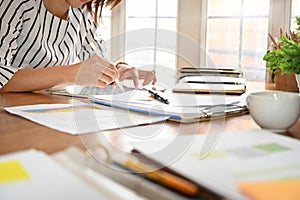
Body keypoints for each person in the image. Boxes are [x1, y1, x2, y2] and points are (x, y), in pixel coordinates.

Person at [0, 0, 157, 93]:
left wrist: (118, 70)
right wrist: (70, 74)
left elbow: (97, 62)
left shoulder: (82, 14)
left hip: (51, 113)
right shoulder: (16, 4)